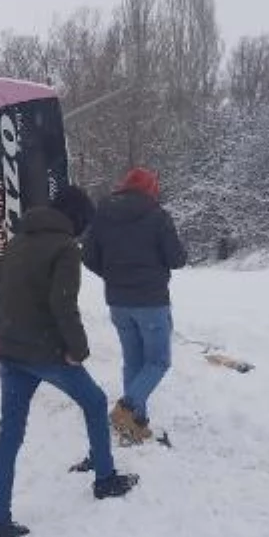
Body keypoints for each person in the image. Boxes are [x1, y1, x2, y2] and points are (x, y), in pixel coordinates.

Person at [0, 184, 138, 537]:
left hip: (12, 352)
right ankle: (104, 479)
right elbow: (63, 304)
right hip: (47, 353)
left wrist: (2, 327)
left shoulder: (17, 240)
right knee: (96, 403)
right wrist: (78, 350)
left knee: (10, 434)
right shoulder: (66, 248)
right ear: (78, 219)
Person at [81, 167, 188, 445]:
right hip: (151, 301)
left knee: (134, 361)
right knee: (158, 361)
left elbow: (89, 256)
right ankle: (127, 409)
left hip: (118, 302)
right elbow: (176, 258)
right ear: (150, 189)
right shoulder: (157, 216)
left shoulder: (103, 214)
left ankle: (135, 423)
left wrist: (115, 276)